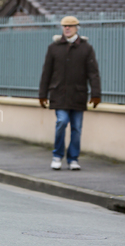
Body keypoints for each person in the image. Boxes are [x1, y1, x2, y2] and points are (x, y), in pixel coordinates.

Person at [39, 16, 101, 171]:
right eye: (64, 26)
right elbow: (46, 73)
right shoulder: (54, 48)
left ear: (77, 28)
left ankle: (73, 159)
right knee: (61, 122)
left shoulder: (86, 48)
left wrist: (96, 94)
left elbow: (93, 73)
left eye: (70, 26)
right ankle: (57, 156)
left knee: (77, 128)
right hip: (59, 94)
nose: (67, 28)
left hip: (78, 95)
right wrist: (42, 94)